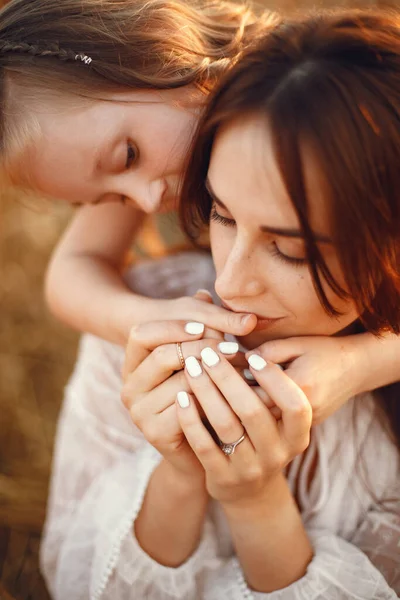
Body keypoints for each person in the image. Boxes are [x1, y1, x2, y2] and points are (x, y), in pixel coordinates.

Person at [40, 8, 400, 598]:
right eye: (221, 215)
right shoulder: (146, 334)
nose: (230, 285)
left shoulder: (376, 437)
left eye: (291, 250)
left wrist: (253, 498)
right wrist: (180, 474)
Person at [1, 0, 400, 424]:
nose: (148, 202)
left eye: (129, 156)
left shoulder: (325, 98)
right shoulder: (137, 148)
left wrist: (363, 362)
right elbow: (69, 274)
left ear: (161, 57)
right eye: (109, 200)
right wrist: (154, 320)